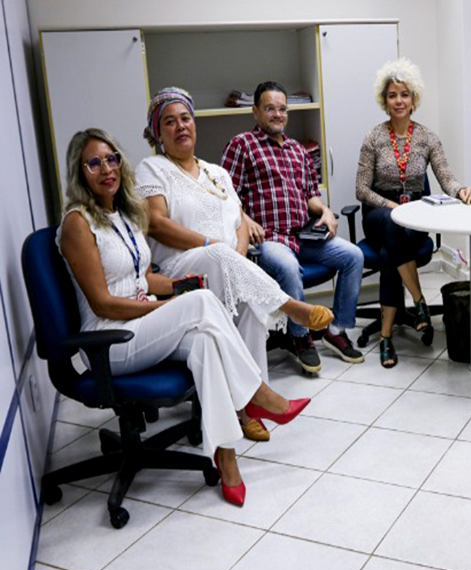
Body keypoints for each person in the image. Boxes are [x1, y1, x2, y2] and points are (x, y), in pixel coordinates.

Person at [57, 129, 313, 507]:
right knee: (201, 304)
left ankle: (226, 459)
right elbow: (103, 305)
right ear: (79, 173)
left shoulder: (121, 214)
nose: (106, 169)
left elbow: (142, 278)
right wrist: (172, 306)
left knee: (205, 340)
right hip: (111, 341)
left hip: (140, 326)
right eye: (93, 163)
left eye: (111, 159)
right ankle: (257, 394)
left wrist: (180, 287)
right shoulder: (78, 223)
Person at [135, 87, 333, 443]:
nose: (181, 126)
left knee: (251, 311)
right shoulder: (153, 168)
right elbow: (157, 223)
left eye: (186, 118)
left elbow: (240, 219)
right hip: (181, 270)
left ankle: (247, 408)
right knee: (222, 259)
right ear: (158, 131)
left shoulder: (215, 172)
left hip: (225, 265)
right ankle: (290, 308)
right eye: (169, 121)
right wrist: (216, 248)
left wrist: (236, 258)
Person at [222, 81, 365, 373]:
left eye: (282, 109)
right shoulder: (242, 145)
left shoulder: (298, 150)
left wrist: (325, 211)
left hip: (303, 235)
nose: (278, 114)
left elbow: (311, 196)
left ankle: (335, 329)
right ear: (255, 112)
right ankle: (300, 337)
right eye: (270, 108)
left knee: (354, 255)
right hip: (269, 239)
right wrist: (245, 219)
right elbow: (224, 194)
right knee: (288, 267)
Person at [356, 57, 471, 368]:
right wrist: (390, 206)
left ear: (414, 99)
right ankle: (420, 302)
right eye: (393, 95)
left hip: (417, 214)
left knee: (387, 256)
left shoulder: (426, 137)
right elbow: (361, 190)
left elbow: (445, 175)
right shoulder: (373, 138)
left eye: (404, 94)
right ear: (385, 100)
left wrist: (460, 190)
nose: (399, 101)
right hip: (379, 214)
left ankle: (385, 338)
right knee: (393, 226)